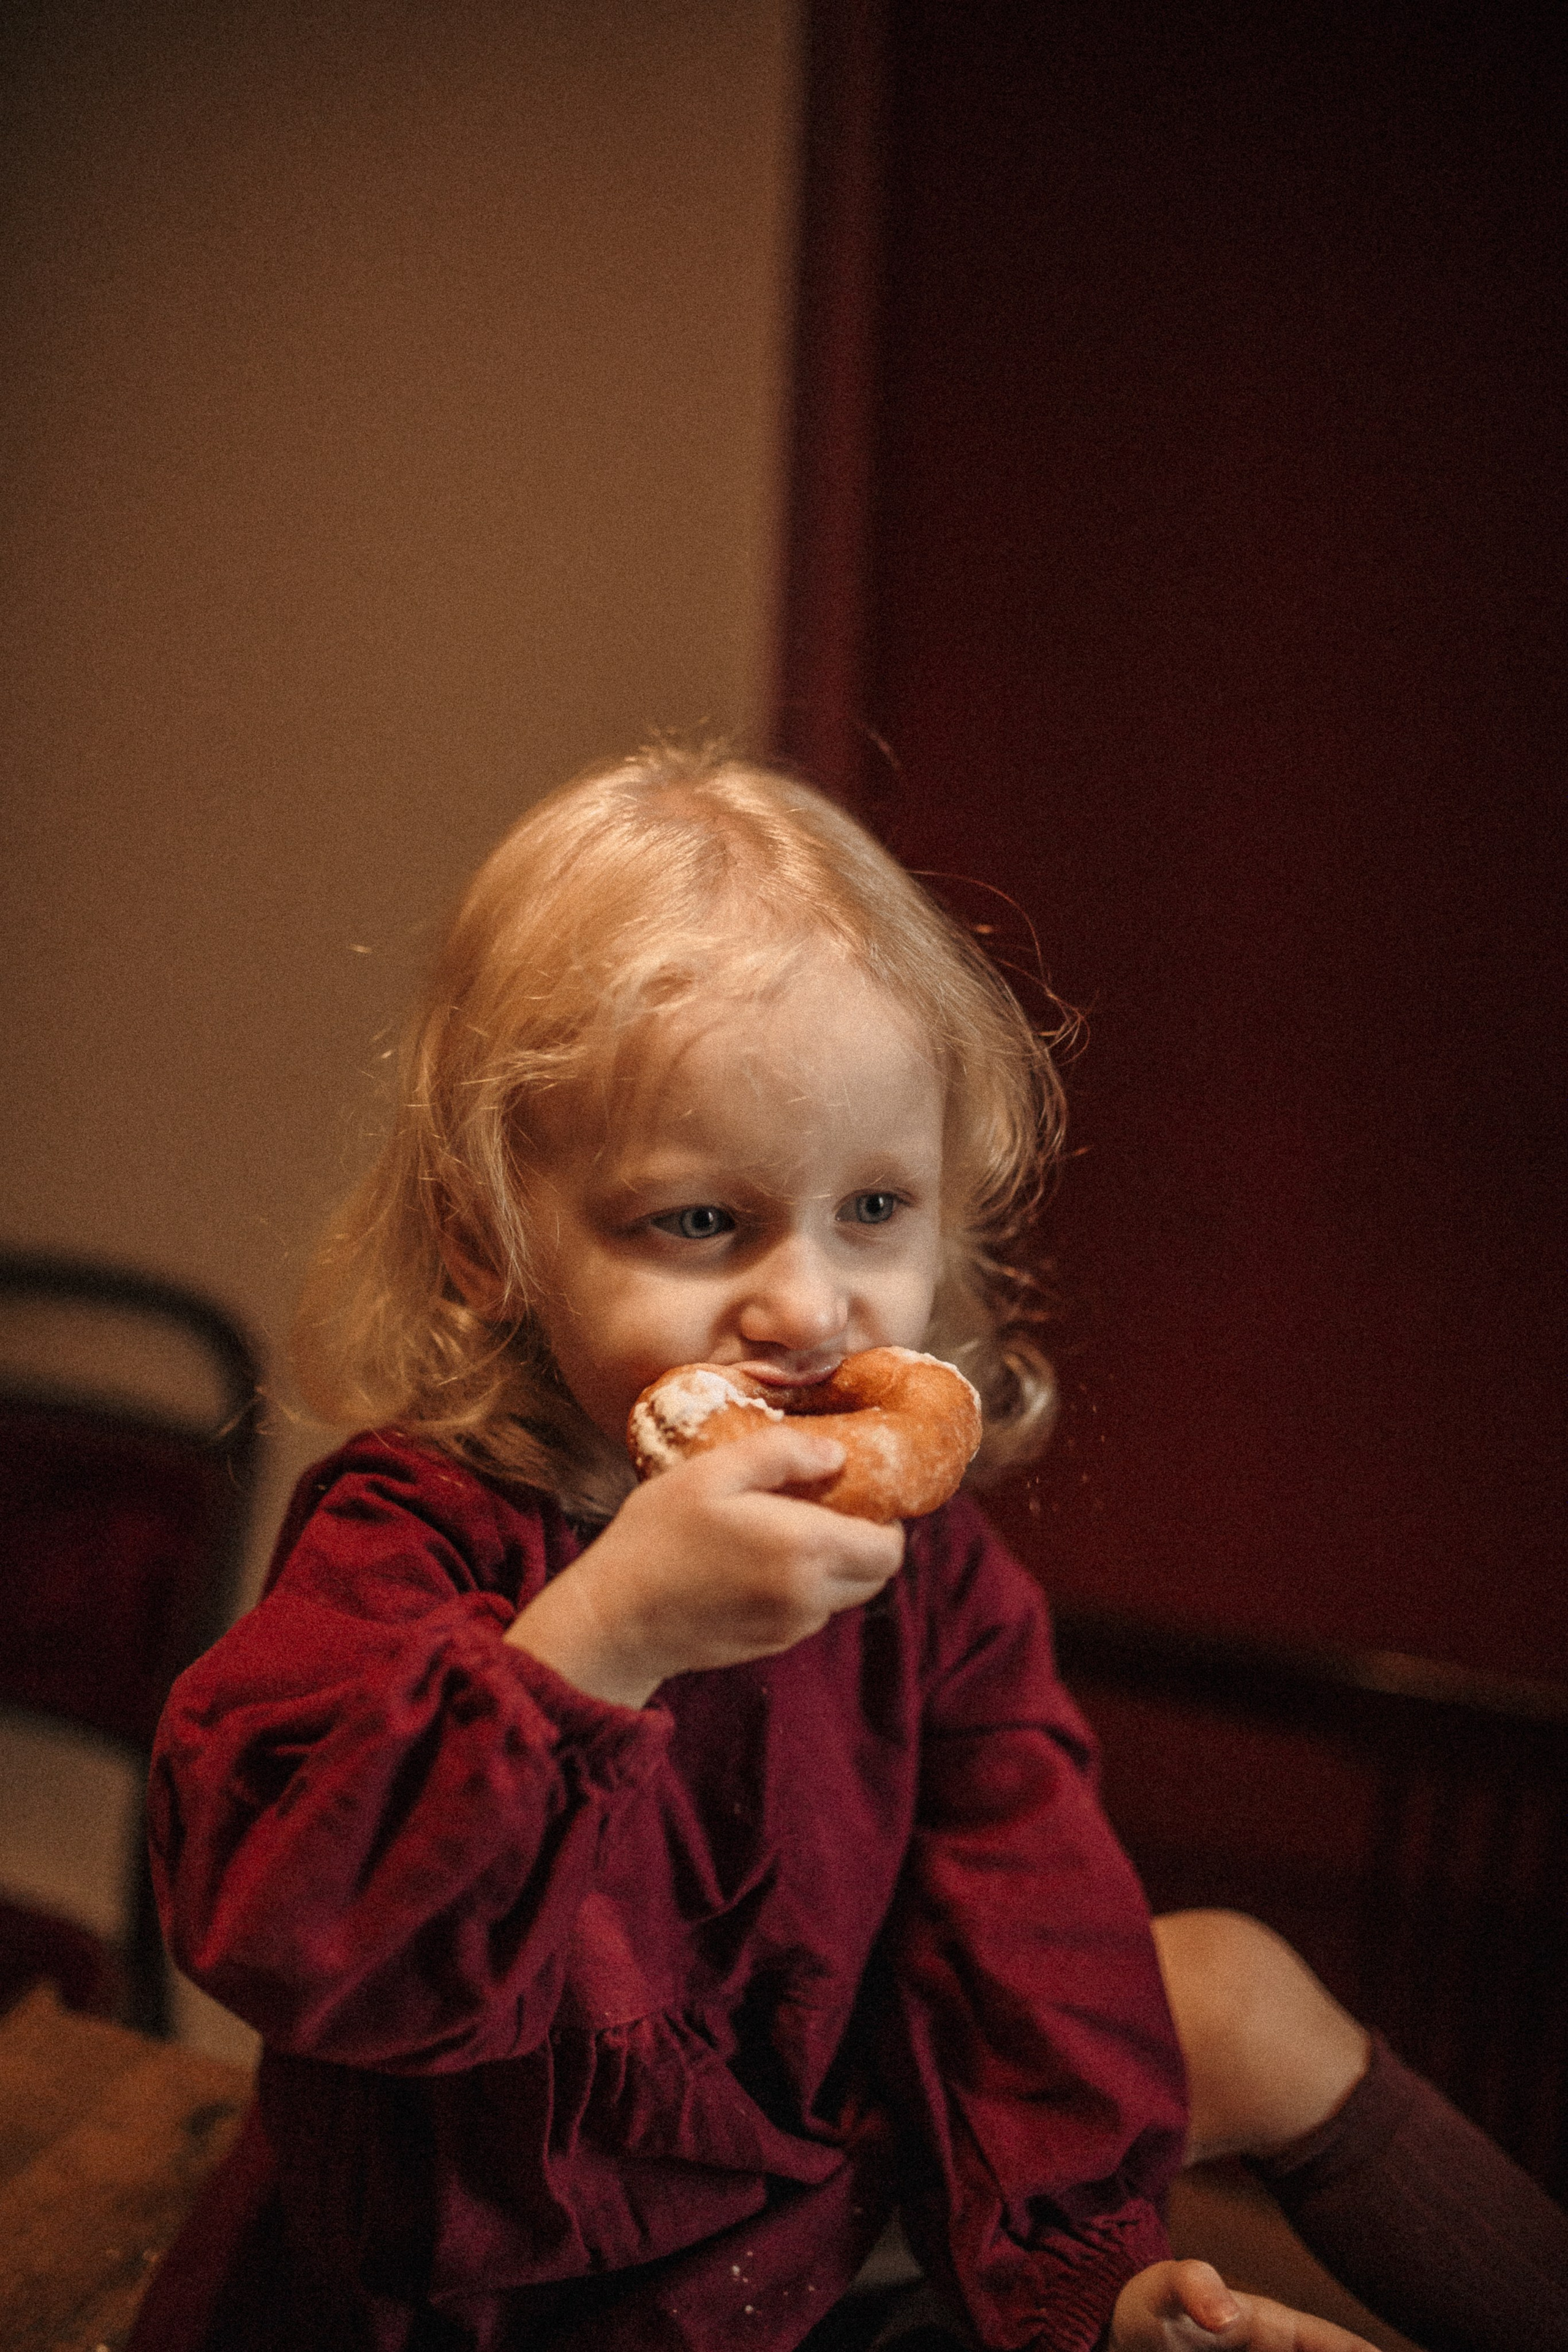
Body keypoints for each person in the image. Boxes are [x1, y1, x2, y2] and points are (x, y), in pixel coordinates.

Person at [139, 747, 1568, 2352]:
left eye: (874, 1208)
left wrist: (1088, 2284)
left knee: (1218, 1983)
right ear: (489, 1242)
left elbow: (1023, 1938)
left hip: (785, 2254)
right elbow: (279, 1924)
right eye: (701, 1222)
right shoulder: (414, 1532)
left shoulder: (927, 1576)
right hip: (458, 2287)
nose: (811, 1307)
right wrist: (598, 1643)